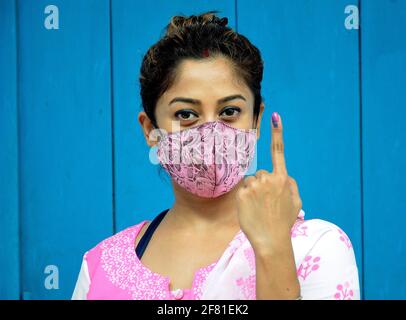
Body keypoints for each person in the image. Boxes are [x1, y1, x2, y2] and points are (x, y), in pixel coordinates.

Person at [72, 11, 360, 300]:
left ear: (256, 121)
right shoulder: (100, 266)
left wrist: (274, 251)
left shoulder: (316, 247)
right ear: (150, 130)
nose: (210, 131)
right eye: (185, 114)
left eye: (229, 111)